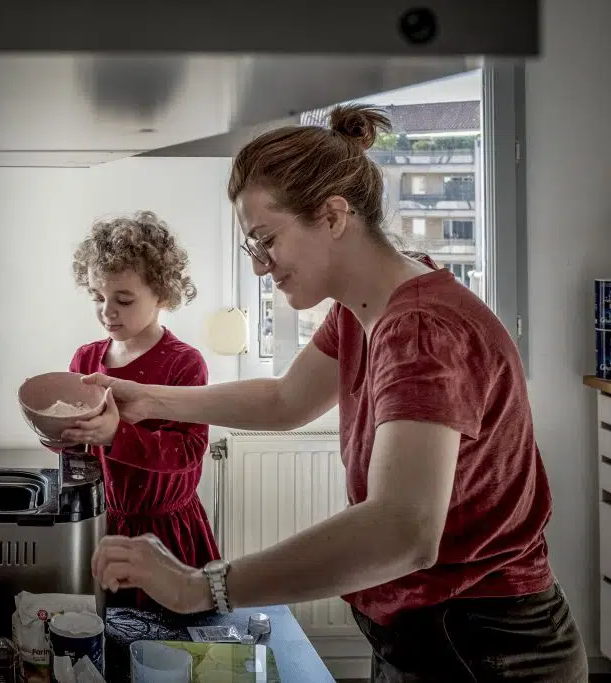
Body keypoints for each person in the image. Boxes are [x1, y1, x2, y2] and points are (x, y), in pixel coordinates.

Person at [87, 106, 588, 681]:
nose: (259, 267)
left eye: (265, 240)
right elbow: (286, 401)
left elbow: (402, 531)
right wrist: (148, 400)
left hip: (484, 644)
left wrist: (201, 586)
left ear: (331, 216)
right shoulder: (366, 308)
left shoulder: (420, 329)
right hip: (431, 628)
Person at [51, 210, 221, 611]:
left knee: (172, 642)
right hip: (102, 523)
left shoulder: (184, 363)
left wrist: (116, 435)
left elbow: (187, 452)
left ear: (162, 295)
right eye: (98, 297)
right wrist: (60, 434)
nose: (107, 311)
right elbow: (77, 452)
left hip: (167, 532)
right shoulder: (87, 358)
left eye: (123, 300)